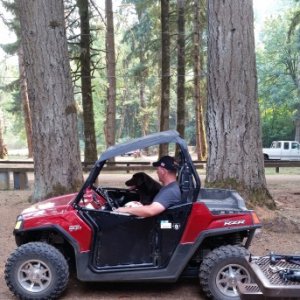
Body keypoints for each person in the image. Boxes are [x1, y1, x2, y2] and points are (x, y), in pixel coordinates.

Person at [115, 155, 181, 217]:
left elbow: (151, 211)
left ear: (163, 171)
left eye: (157, 169)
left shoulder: (170, 191)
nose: (157, 172)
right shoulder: (171, 187)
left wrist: (124, 209)